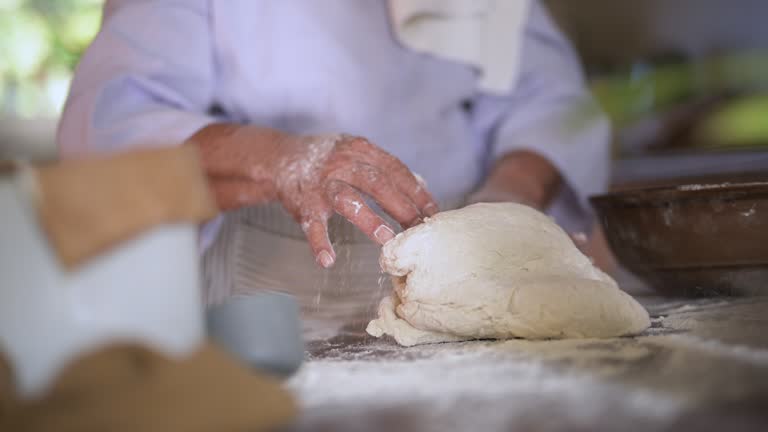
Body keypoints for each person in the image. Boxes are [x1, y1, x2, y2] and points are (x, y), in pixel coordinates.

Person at [58, 0, 610, 310]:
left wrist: (510, 196)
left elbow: (549, 97)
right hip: (273, 296)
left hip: (479, 271)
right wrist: (282, 159)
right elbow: (111, 123)